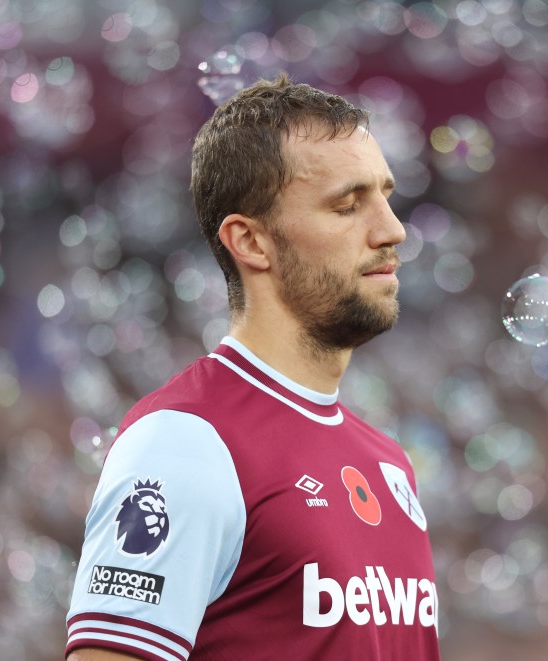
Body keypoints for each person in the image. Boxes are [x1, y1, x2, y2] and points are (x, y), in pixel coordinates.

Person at [65, 74, 439, 661]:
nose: (392, 230)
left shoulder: (389, 464)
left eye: (387, 197)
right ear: (252, 243)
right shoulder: (185, 442)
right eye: (347, 204)